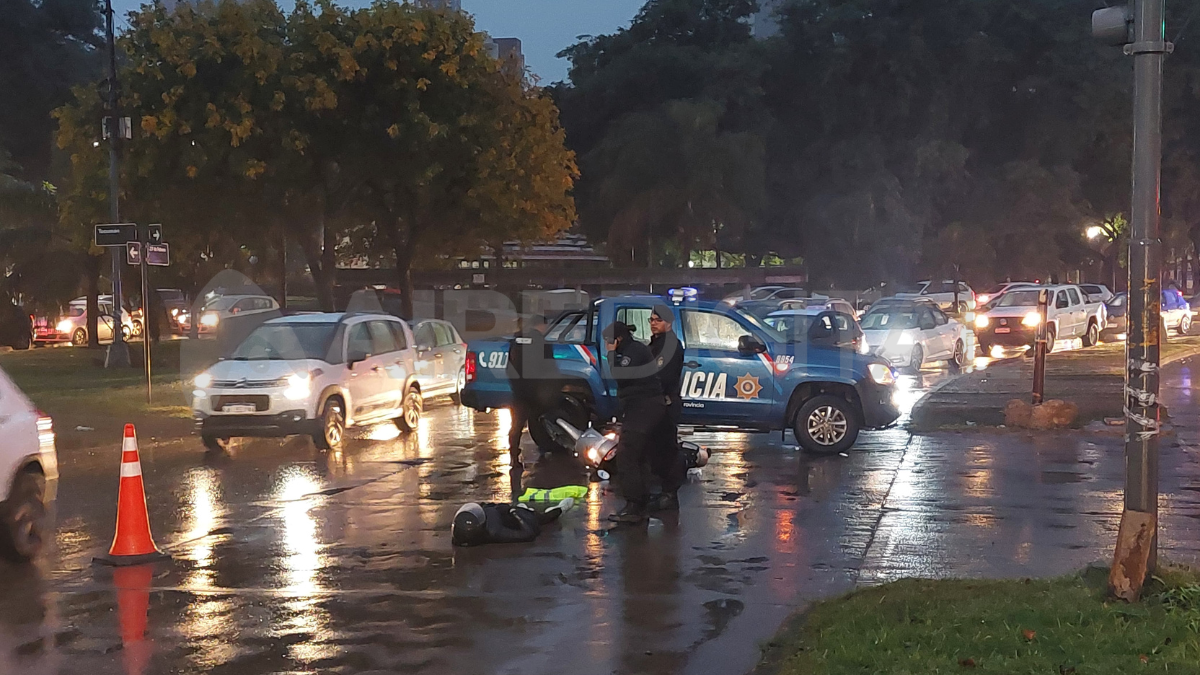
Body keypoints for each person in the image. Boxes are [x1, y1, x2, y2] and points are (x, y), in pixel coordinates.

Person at [603, 321, 665, 524]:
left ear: (617, 340)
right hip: (642, 407)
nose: (606, 345)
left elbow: (619, 375)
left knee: (627, 456)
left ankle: (634, 507)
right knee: (640, 456)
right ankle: (641, 503)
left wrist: (611, 354)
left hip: (644, 408)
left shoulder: (633, 352)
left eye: (608, 342)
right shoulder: (633, 348)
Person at [647, 304, 687, 511]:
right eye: (651, 320)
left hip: (666, 403)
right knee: (656, 449)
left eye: (657, 320)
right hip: (654, 403)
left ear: (669, 323)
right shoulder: (655, 343)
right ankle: (662, 492)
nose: (653, 323)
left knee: (667, 450)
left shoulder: (670, 345)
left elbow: (662, 375)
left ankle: (670, 495)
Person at [506, 313, 558, 464]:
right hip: (537, 391)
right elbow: (550, 368)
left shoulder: (517, 341)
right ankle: (545, 449)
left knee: (516, 425)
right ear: (542, 325)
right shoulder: (542, 342)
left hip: (520, 391)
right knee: (540, 422)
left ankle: (514, 455)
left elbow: (510, 366)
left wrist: (516, 385)